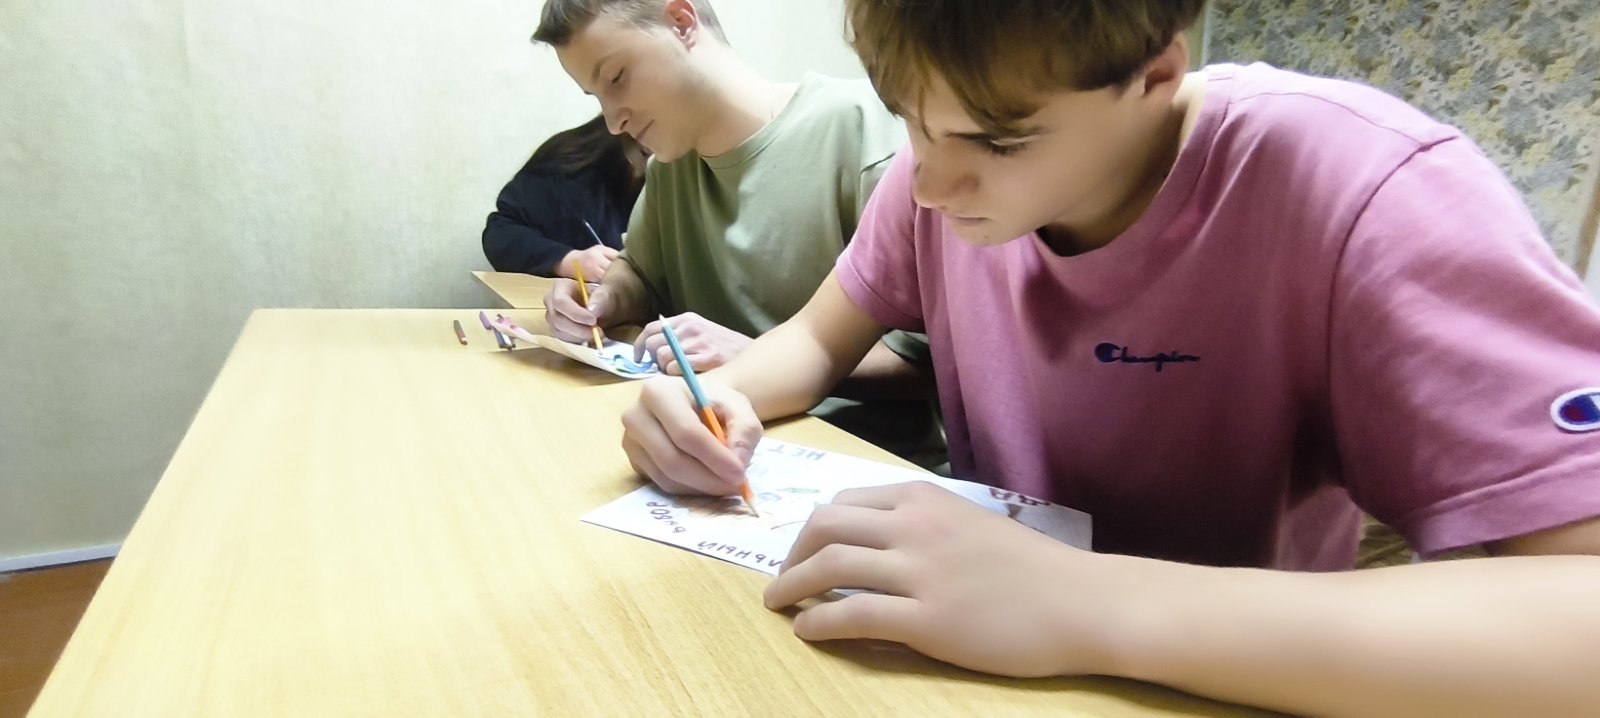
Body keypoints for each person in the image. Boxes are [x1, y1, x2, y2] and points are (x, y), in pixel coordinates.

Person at [616, 0, 1600, 715]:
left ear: (1157, 76)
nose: (931, 184)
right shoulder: (932, 172)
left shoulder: (1368, 190)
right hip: (973, 669)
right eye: (912, 118)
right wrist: (714, 401)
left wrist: (1076, 601)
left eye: (999, 141)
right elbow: (810, 342)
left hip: (1220, 683)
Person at [533, 0, 942, 465]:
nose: (613, 122)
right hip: (717, 437)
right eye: (597, 97)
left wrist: (752, 358)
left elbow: (933, 361)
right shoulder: (670, 166)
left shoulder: (861, 128)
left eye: (616, 77)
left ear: (682, 22)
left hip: (866, 460)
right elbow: (640, 273)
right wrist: (605, 299)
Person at [481, 114, 647, 280]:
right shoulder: (572, 163)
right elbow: (501, 233)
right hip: (555, 291)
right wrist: (568, 260)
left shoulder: (657, 174)